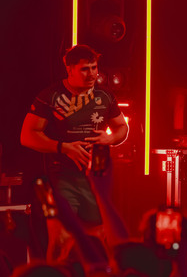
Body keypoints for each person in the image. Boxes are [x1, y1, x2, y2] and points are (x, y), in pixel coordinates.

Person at [20, 44, 128, 230]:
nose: (92, 74)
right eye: (84, 69)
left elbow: (122, 127)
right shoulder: (51, 96)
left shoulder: (105, 96)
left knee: (96, 236)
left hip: (96, 177)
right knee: (63, 236)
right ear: (69, 70)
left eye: (94, 67)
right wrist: (64, 148)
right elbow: (27, 136)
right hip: (62, 176)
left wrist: (110, 139)